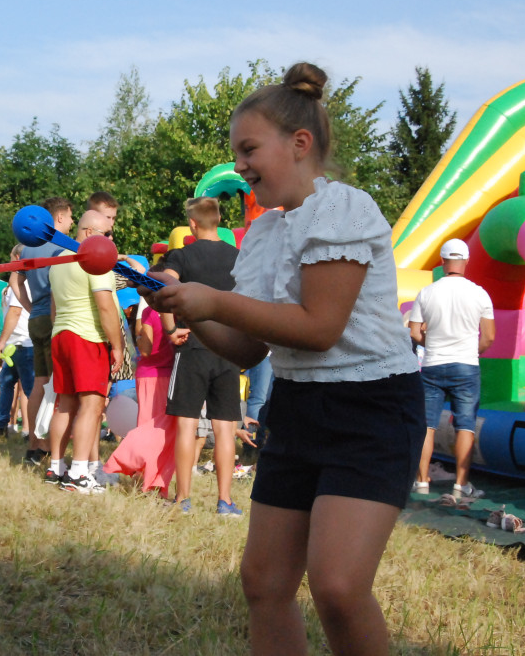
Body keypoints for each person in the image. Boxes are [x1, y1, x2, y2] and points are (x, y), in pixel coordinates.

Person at [148, 63, 425, 656]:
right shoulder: (265, 233)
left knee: (339, 587)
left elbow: (320, 329)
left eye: (249, 150)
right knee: (264, 582)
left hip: (371, 409)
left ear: (300, 145)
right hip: (298, 407)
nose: (240, 166)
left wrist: (213, 298)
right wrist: (189, 312)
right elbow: (249, 349)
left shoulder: (344, 209)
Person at [161, 196, 246, 516]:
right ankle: (225, 501)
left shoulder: (180, 256)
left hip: (193, 345)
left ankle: (183, 499)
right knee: (225, 428)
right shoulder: (239, 257)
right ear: (219, 221)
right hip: (229, 348)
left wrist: (171, 330)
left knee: (186, 425)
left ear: (192, 224)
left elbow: (165, 290)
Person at [43, 210, 124, 493]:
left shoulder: (58, 260)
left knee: (65, 404)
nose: (109, 241)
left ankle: (56, 467)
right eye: (105, 235)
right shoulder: (96, 259)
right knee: (92, 405)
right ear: (89, 233)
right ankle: (78, 474)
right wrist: (117, 345)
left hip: (61, 334)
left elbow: (53, 308)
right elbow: (106, 307)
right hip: (88, 337)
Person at [408, 238, 495, 497]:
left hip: (433, 364)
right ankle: (461, 485)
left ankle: (422, 481)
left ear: (443, 262)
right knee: (466, 425)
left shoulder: (427, 292)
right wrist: (471, 351)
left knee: (427, 425)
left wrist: (431, 344)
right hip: (466, 365)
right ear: (466, 261)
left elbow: (413, 332)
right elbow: (489, 337)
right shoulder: (479, 293)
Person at [105, 262, 177, 496]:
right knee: (164, 433)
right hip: (170, 375)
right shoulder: (179, 311)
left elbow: (145, 349)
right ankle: (156, 482)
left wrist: (139, 332)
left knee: (148, 425)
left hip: (148, 375)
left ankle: (138, 470)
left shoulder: (148, 312)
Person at [14, 196, 74, 462]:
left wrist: (29, 306)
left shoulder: (28, 247)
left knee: (39, 382)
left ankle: (33, 444)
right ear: (58, 218)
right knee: (57, 384)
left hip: (35, 317)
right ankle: (48, 446)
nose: (72, 222)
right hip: (54, 317)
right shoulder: (61, 247)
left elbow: (15, 280)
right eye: (71, 217)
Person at [0, 245, 36, 451]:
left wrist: (1, 341)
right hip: (16, 344)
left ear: (17, 257)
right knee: (6, 383)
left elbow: (15, 313)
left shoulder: (21, 282)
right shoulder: (19, 283)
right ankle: (2, 425)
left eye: (10, 260)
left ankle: (32, 431)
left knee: (30, 390)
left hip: (23, 343)